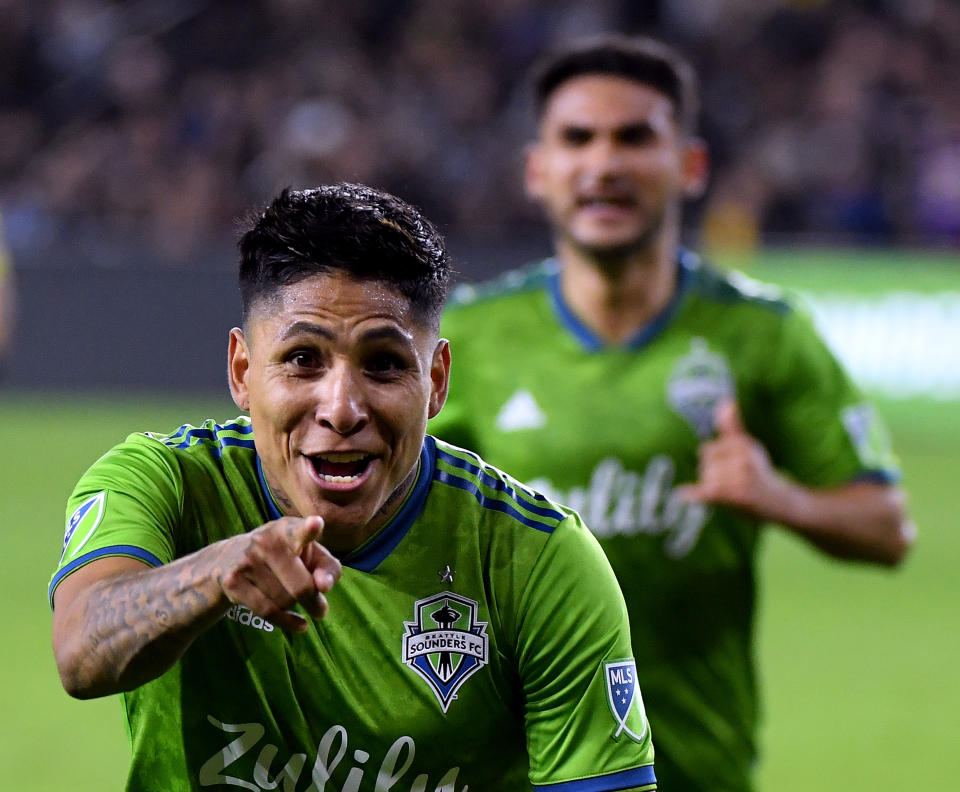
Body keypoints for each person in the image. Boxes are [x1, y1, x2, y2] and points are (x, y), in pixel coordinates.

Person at [50, 183, 657, 791]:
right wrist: (215, 573)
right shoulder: (167, 484)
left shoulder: (537, 558)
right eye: (302, 359)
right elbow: (81, 649)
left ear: (437, 380)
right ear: (242, 372)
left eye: (385, 364)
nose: (341, 409)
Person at [429, 35, 914, 792]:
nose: (605, 164)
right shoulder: (471, 338)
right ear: (538, 170)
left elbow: (887, 527)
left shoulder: (763, 333)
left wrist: (775, 496)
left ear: (690, 165)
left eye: (635, 137)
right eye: (577, 139)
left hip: (698, 764)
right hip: (519, 768)